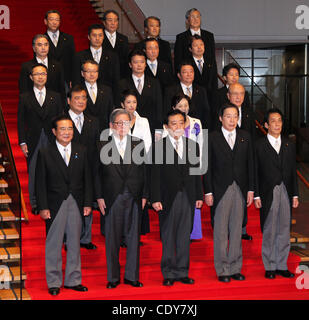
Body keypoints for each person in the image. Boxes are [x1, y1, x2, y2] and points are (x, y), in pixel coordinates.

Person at [35, 115, 92, 296]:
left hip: (76, 201)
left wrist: (87, 203)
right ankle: (54, 281)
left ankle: (73, 280)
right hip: (54, 204)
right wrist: (42, 206)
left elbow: (87, 179)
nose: (66, 132)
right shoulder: (45, 152)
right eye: (63, 129)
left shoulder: (81, 150)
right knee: (54, 243)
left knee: (75, 242)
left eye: (70, 129)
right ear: (54, 132)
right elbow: (40, 183)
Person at [96, 109, 148, 289]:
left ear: (130, 124)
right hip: (112, 196)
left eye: (126, 123)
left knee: (134, 238)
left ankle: (132, 276)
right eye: (118, 123)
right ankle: (113, 277)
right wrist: (99, 196)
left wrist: (145, 195)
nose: (122, 126)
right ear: (111, 126)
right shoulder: (102, 144)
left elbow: (145, 172)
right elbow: (96, 173)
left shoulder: (138, 143)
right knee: (112, 239)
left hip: (134, 195)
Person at [151, 109, 203, 286]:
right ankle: (168, 273)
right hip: (167, 197)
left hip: (188, 196)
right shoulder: (158, 146)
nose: (178, 126)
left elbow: (196, 174)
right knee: (168, 235)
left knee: (183, 234)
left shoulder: (192, 145)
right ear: (166, 127)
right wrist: (155, 198)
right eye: (174, 123)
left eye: (181, 123)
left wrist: (198, 195)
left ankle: (182, 271)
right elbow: (155, 175)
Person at [204, 103, 254, 283]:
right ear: (220, 118)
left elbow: (251, 165)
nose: (232, 120)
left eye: (235, 116)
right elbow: (207, 167)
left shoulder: (245, 137)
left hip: (240, 188)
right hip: (220, 189)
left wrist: (251, 190)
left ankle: (235, 267)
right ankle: (223, 269)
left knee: (236, 230)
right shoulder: (212, 137)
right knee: (220, 231)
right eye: (228, 116)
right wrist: (208, 191)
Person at [254, 108, 298, 279]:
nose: (277, 124)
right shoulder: (259, 145)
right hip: (268, 191)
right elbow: (255, 171)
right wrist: (256, 195)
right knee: (270, 228)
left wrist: (295, 194)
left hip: (286, 190)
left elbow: (293, 171)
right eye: (273, 120)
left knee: (284, 228)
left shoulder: (289, 144)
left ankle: (282, 264)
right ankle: (270, 265)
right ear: (266, 124)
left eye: (279, 120)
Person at [17, 63, 63, 214]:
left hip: (51, 137)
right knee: (34, 170)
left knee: (52, 169)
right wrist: (22, 141)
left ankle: (50, 201)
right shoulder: (24, 97)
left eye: (43, 73)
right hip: (33, 139)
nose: (40, 77)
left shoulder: (55, 96)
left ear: (47, 76)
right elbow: (21, 121)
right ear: (31, 77)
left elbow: (59, 118)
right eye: (37, 74)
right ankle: (35, 203)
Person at [163, 94, 203, 240]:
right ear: (174, 108)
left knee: (191, 206)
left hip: (190, 169)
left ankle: (192, 233)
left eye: (186, 105)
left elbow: (201, 145)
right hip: (172, 169)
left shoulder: (196, 122)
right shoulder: (168, 124)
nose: (184, 109)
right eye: (180, 106)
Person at [65, 85, 100, 250]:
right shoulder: (62, 121)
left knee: (87, 202)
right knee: (68, 204)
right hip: (67, 169)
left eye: (84, 98)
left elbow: (98, 146)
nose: (81, 101)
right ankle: (68, 239)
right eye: (77, 98)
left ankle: (85, 238)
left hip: (89, 169)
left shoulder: (94, 121)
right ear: (69, 101)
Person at [121, 89, 152, 238]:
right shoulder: (118, 120)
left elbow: (147, 142)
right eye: (128, 102)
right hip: (121, 166)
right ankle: (122, 234)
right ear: (122, 104)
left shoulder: (143, 120)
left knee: (138, 199)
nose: (132, 105)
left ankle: (135, 234)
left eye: (134, 102)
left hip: (139, 164)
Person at [227, 83, 256, 240]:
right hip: (226, 162)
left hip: (243, 160)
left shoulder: (248, 113)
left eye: (241, 94)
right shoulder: (222, 113)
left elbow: (252, 136)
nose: (238, 97)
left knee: (242, 197)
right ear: (228, 95)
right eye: (234, 93)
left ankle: (242, 230)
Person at [116, 49, 163, 137]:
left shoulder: (154, 83)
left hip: (151, 126)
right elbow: (119, 108)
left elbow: (159, 107)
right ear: (130, 64)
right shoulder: (122, 84)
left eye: (142, 62)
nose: (139, 65)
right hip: (129, 127)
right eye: (135, 62)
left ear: (145, 64)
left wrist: (159, 130)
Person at [73, 23, 120, 94]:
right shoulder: (79, 56)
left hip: (107, 96)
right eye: (94, 35)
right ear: (89, 37)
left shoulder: (113, 56)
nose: (97, 38)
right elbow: (76, 80)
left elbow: (116, 81)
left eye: (100, 35)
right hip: (85, 96)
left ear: (104, 37)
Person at [164, 61, 211, 130]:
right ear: (179, 75)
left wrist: (205, 131)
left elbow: (206, 112)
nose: (189, 74)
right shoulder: (170, 90)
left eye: (191, 72)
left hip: (197, 129)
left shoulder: (201, 90)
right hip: (176, 129)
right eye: (185, 72)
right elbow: (166, 110)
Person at [19, 34, 65, 101]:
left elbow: (61, 89)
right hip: (33, 104)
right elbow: (23, 89)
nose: (43, 48)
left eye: (46, 44)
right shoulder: (26, 66)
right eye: (40, 45)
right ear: (34, 48)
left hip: (53, 104)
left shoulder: (57, 66)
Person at [174, 8, 217, 76]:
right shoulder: (181, 37)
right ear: (187, 20)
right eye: (192, 17)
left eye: (197, 16)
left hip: (207, 76)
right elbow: (178, 61)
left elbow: (212, 59)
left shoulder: (209, 36)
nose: (195, 19)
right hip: (188, 77)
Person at [44, 9, 76, 90]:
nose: (54, 22)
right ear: (45, 21)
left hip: (65, 79)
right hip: (47, 79)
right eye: (51, 19)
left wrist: (73, 79)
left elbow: (73, 59)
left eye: (57, 20)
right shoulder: (41, 39)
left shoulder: (68, 38)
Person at [81, 60, 114, 132]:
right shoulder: (77, 91)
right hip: (85, 130)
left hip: (104, 131)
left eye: (95, 71)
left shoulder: (107, 90)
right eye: (88, 71)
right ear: (82, 73)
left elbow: (110, 111)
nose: (92, 74)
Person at [188, 35, 218, 107]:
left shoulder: (211, 62)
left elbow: (214, 82)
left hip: (210, 100)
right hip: (193, 100)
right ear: (190, 49)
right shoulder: (187, 63)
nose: (199, 47)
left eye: (201, 44)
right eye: (196, 45)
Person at [102, 9, 130, 78]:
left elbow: (126, 59)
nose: (113, 23)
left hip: (121, 76)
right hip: (104, 77)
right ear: (104, 22)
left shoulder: (124, 39)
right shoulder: (99, 38)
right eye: (110, 20)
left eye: (115, 20)